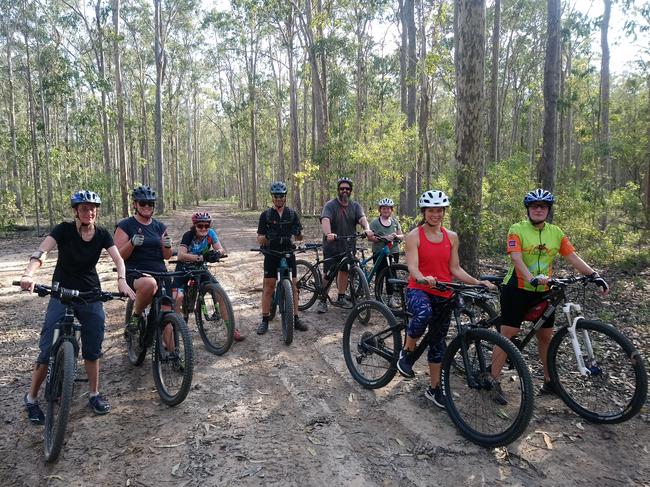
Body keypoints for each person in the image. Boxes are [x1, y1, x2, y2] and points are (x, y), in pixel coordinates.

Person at [20, 190, 136, 424]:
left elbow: (118, 259)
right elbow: (42, 251)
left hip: (89, 293)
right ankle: (31, 398)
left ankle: (93, 394)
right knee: (46, 350)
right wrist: (28, 274)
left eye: (92, 208)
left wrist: (121, 279)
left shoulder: (102, 234)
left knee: (93, 347)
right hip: (60, 292)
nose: (89, 212)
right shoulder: (63, 229)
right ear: (76, 211)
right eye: (84, 208)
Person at [491, 189, 609, 394]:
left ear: (548, 210)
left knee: (546, 336)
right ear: (528, 209)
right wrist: (530, 278)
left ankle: (549, 381)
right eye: (534, 206)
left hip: (544, 290)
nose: (538, 209)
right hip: (517, 288)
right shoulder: (517, 229)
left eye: (543, 206)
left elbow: (572, 257)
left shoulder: (556, 232)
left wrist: (594, 275)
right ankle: (493, 381)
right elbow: (516, 258)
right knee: (508, 335)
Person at [396, 190, 495, 409]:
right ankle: (407, 350)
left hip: (444, 293)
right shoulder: (414, 236)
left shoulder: (451, 237)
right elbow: (412, 268)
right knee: (423, 314)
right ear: (424, 212)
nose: (436, 214)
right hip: (419, 290)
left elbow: (455, 268)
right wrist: (423, 279)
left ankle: (434, 389)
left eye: (439, 210)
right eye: (431, 210)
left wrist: (477, 282)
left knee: (438, 344)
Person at [113, 186, 174, 348]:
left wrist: (168, 246)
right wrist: (132, 243)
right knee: (150, 284)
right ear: (135, 204)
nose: (147, 206)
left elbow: (167, 256)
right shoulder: (125, 225)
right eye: (143, 203)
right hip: (135, 272)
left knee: (168, 313)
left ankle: (174, 354)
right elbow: (118, 256)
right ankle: (136, 316)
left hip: (160, 273)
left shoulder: (160, 227)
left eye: (150, 204)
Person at [173, 211, 245, 342]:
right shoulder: (188, 235)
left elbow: (221, 249)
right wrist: (199, 257)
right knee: (177, 297)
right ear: (195, 226)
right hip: (184, 268)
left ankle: (231, 330)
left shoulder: (210, 234)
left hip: (200, 269)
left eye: (207, 226)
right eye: (200, 226)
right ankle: (172, 331)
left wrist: (216, 253)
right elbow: (181, 255)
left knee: (220, 294)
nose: (204, 228)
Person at [256, 181, 308, 335]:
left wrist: (299, 234)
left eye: (281, 196)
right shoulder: (265, 215)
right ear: (272, 197)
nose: (279, 198)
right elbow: (259, 237)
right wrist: (266, 238)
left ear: (285, 197)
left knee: (294, 287)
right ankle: (265, 320)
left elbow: (299, 237)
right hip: (271, 253)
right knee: (269, 286)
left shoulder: (292, 214)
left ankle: (296, 318)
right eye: (276, 196)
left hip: (287, 252)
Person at [318, 177, 373, 313]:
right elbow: (325, 219)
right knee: (329, 273)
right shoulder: (330, 205)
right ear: (338, 190)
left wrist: (367, 228)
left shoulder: (355, 206)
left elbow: (362, 219)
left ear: (350, 191)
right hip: (332, 246)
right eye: (342, 188)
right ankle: (322, 299)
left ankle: (341, 296)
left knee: (344, 271)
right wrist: (328, 233)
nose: (344, 191)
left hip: (348, 245)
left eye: (347, 189)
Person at [368, 198, 404, 308]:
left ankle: (390, 298)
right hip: (379, 252)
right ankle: (378, 298)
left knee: (391, 274)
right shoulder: (375, 222)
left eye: (388, 208)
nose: (386, 210)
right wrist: (382, 238)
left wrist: (396, 236)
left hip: (393, 251)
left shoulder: (395, 222)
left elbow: (401, 235)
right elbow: (370, 238)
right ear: (380, 210)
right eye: (384, 208)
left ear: (391, 210)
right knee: (379, 274)